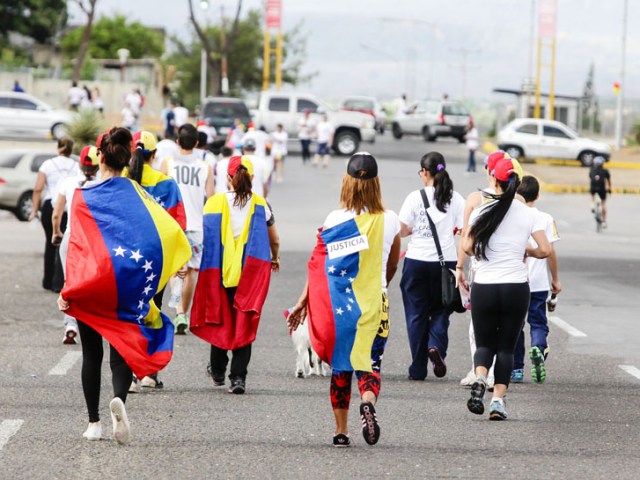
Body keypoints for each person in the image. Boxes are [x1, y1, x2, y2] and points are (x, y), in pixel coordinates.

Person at [57, 126, 190, 445]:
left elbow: (77, 248)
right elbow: (164, 232)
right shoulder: (140, 195)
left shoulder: (82, 197)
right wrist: (173, 265)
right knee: (119, 351)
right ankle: (120, 399)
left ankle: (93, 423)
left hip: (90, 286)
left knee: (91, 354)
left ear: (99, 156)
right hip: (125, 285)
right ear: (128, 157)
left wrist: (67, 291)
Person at [287, 152, 401, 447]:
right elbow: (391, 265)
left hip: (342, 308)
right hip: (375, 304)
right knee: (370, 364)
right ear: (376, 184)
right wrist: (381, 287)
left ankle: (341, 432)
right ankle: (368, 401)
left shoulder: (334, 220)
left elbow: (320, 270)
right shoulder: (390, 220)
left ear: (347, 183)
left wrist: (303, 301)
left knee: (341, 367)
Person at [457, 156, 551, 421]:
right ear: (517, 183)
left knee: (485, 343)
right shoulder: (526, 212)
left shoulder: (481, 210)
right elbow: (545, 249)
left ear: (494, 180)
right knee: (506, 348)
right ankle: (498, 401)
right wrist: (526, 249)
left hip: (485, 285)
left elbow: (466, 247)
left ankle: (480, 377)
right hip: (515, 286)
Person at [190, 156, 280, 394]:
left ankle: (218, 371)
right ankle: (238, 378)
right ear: (251, 177)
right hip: (250, 273)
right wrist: (275, 257)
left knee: (221, 317)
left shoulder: (213, 203)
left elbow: (205, 239)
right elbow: (275, 239)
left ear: (228, 178)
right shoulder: (262, 205)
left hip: (218, 270)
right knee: (244, 319)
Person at [126, 130, 187, 390]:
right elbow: (177, 224)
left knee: (129, 314)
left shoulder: (121, 181)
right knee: (154, 311)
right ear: (154, 155)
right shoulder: (166, 184)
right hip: (157, 261)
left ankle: (127, 373)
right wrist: (180, 260)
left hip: (126, 260)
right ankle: (148, 373)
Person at [457, 150, 524, 388]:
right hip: (514, 277)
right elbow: (534, 245)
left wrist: (459, 267)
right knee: (507, 331)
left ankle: (480, 372)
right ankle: (496, 380)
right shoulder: (520, 202)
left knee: (479, 327)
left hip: (482, 271)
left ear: (489, 172)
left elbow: (465, 239)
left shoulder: (475, 200)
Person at [398, 152, 465, 381]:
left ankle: (418, 368)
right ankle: (436, 346)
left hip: (416, 262)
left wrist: (415, 229)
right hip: (445, 263)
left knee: (416, 315)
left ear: (424, 172)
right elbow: (465, 230)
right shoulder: (455, 198)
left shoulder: (414, 198)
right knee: (441, 310)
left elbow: (402, 229)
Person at [161, 124, 215, 334]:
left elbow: (160, 194)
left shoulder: (168, 164)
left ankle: (179, 310)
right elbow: (210, 199)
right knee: (191, 270)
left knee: (175, 268)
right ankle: (185, 312)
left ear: (177, 142)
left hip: (173, 223)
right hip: (196, 224)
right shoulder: (205, 167)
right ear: (198, 143)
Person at [512, 176, 561, 384]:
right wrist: (556, 280)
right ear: (538, 195)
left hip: (515, 280)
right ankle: (538, 347)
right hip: (539, 284)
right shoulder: (546, 219)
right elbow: (550, 252)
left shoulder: (512, 215)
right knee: (538, 323)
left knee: (515, 325)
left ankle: (516, 369)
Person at [52, 145, 101, 344]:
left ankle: (70, 324)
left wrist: (56, 232)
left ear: (80, 164)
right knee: (93, 284)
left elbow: (57, 213)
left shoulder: (69, 182)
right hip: (94, 241)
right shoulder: (104, 184)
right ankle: (93, 324)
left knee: (69, 282)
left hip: (71, 238)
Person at [29, 137, 79, 291]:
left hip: (49, 207)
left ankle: (47, 281)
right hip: (66, 208)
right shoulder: (76, 166)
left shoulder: (47, 165)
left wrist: (34, 210)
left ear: (58, 148)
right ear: (71, 150)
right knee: (64, 245)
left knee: (50, 244)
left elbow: (38, 188)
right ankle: (59, 283)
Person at [589, 156, 611, 228]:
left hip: (593, 188)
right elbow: (608, 181)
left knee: (592, 195)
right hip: (602, 189)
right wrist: (609, 189)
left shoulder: (591, 170)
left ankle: (592, 206)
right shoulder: (605, 171)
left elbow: (590, 178)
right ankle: (604, 221)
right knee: (603, 203)